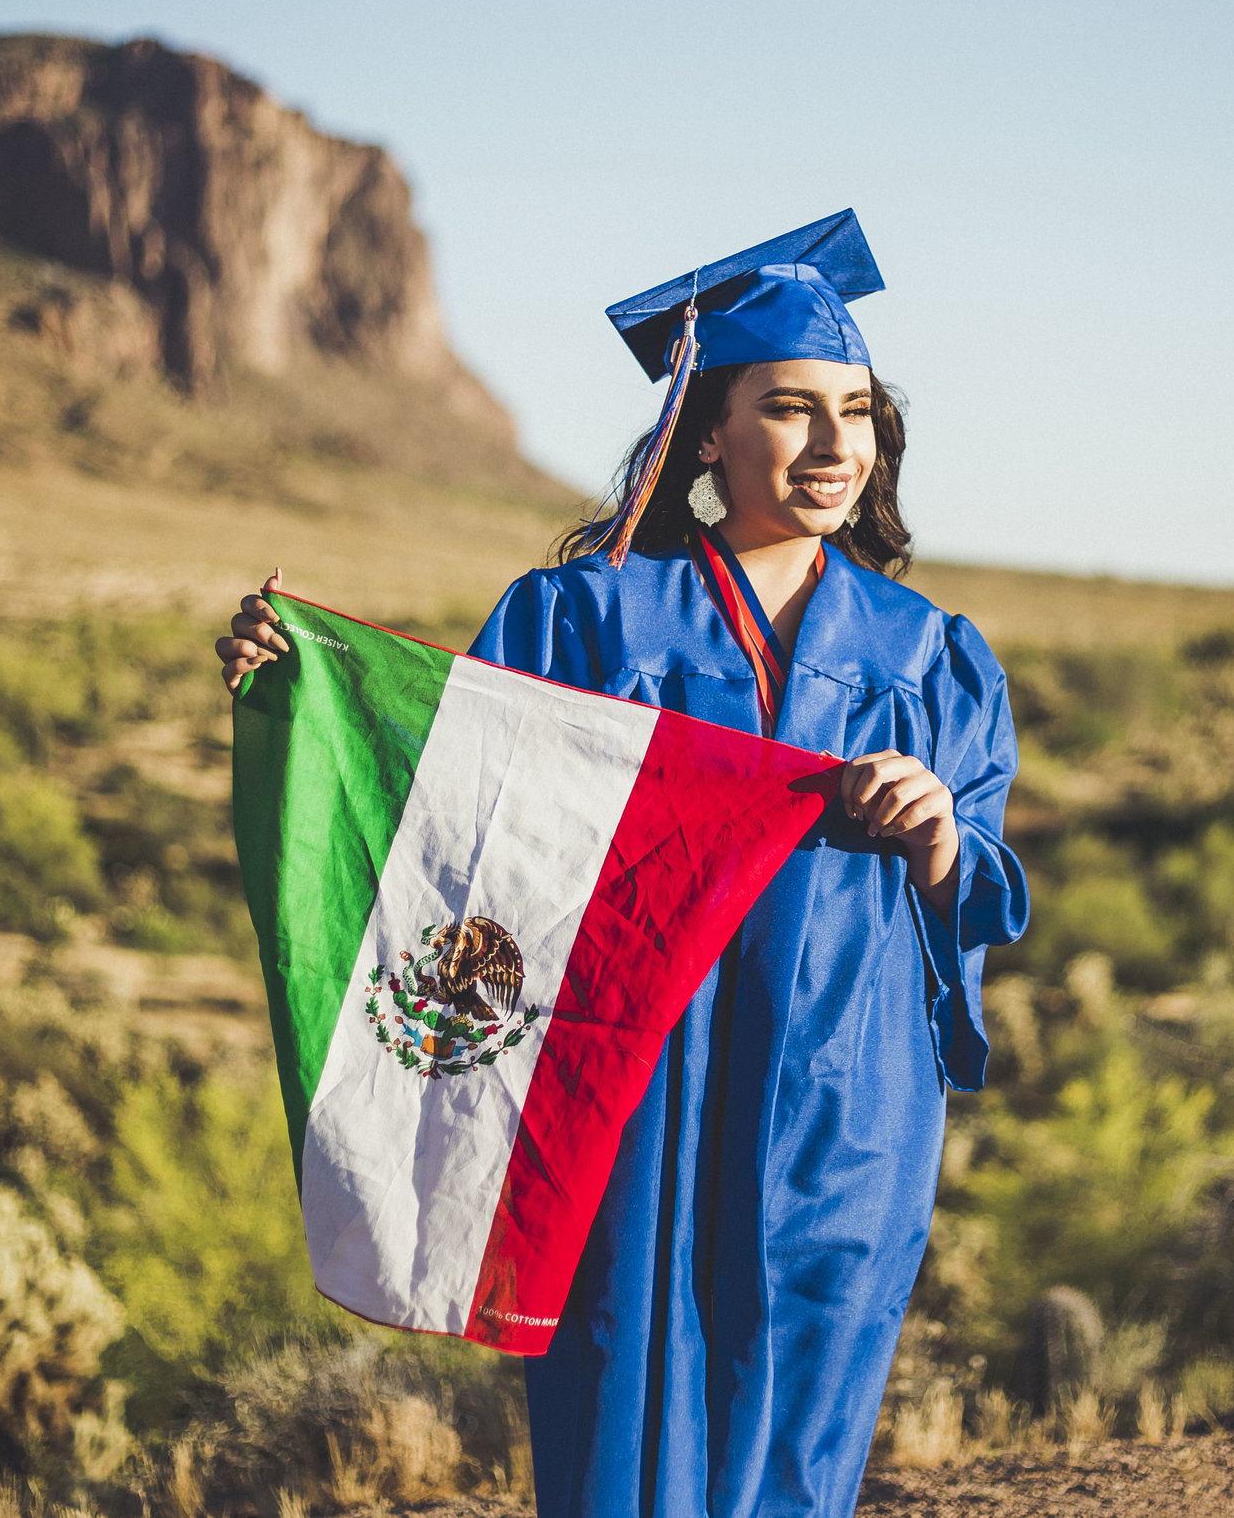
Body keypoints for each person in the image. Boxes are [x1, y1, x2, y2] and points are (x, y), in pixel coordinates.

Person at [216, 210, 1028, 1518]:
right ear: (708, 431)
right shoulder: (582, 618)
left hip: (844, 1107)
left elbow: (983, 881)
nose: (835, 447)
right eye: (791, 410)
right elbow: (452, 794)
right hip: (627, 1087)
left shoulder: (931, 654)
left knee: (799, 1445)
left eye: (858, 413)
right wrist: (304, 690)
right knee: (615, 1430)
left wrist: (939, 829)